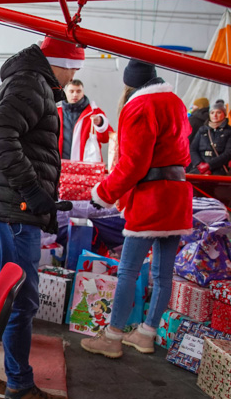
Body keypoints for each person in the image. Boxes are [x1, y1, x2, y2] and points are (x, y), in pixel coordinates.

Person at [0, 36, 82, 399]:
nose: (72, 77)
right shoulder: (31, 83)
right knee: (19, 299)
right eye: (73, 68)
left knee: (6, 295)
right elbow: (1, 136)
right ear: (61, 63)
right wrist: (33, 192)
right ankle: (18, 386)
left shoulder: (27, 81)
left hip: (7, 207)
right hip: (12, 210)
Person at [82, 60, 192, 358]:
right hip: (178, 194)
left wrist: (103, 194)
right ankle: (146, 334)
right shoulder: (176, 103)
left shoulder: (139, 106)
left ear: (129, 83)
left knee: (129, 270)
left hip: (151, 198)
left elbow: (132, 164)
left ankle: (113, 336)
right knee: (164, 273)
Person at [58, 79, 113, 161]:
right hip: (59, 165)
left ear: (83, 93)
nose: (75, 95)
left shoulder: (95, 112)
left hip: (87, 166)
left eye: (78, 91)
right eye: (71, 91)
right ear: (65, 93)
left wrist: (100, 123)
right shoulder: (56, 111)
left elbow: (106, 139)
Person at [189, 100, 231, 175]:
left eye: (218, 112)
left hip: (219, 170)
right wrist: (199, 164)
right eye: (212, 113)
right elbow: (193, 149)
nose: (215, 115)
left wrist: (209, 165)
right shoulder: (202, 129)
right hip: (199, 169)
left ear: (224, 114)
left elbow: (228, 153)